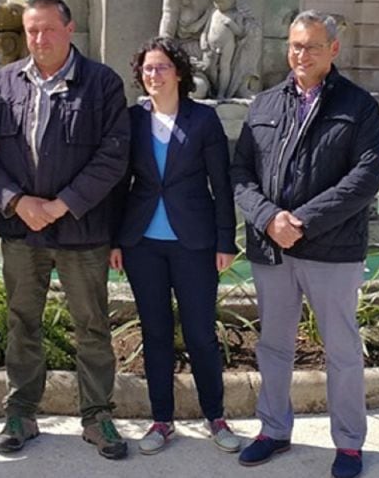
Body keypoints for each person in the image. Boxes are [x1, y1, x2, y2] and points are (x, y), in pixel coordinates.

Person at [231, 10, 379, 478]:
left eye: (313, 46)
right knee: (273, 346)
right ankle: (273, 430)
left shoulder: (359, 106)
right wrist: (267, 218)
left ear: (333, 50)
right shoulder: (263, 104)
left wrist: (300, 221)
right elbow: (240, 173)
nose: (302, 55)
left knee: (341, 349)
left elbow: (364, 179)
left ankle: (349, 444)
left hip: (331, 250)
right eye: (296, 46)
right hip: (272, 249)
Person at [0, 0, 131, 460]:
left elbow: (113, 156)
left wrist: (62, 205)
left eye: (47, 29)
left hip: (82, 230)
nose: (39, 39)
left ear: (69, 29)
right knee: (23, 322)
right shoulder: (3, 84)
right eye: (31, 31)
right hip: (23, 230)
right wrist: (18, 202)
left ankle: (98, 415)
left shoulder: (102, 84)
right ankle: (20, 412)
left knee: (92, 325)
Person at [111, 37, 240, 455]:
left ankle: (215, 416)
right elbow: (118, 185)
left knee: (201, 333)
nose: (154, 75)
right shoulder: (131, 119)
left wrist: (226, 240)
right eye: (148, 69)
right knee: (156, 333)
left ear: (179, 73)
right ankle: (161, 421)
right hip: (142, 244)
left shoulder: (203, 120)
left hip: (195, 244)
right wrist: (115, 239)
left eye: (162, 67)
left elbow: (221, 184)